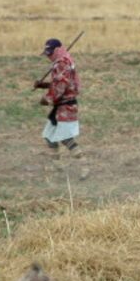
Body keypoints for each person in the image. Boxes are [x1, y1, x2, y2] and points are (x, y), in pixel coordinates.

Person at [35, 37, 86, 181]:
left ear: (57, 50)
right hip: (61, 106)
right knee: (49, 136)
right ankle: (58, 168)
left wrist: (47, 99)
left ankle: (84, 166)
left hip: (65, 106)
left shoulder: (62, 63)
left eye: (50, 53)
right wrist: (43, 85)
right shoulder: (62, 61)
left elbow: (61, 86)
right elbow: (59, 82)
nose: (49, 56)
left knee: (65, 137)